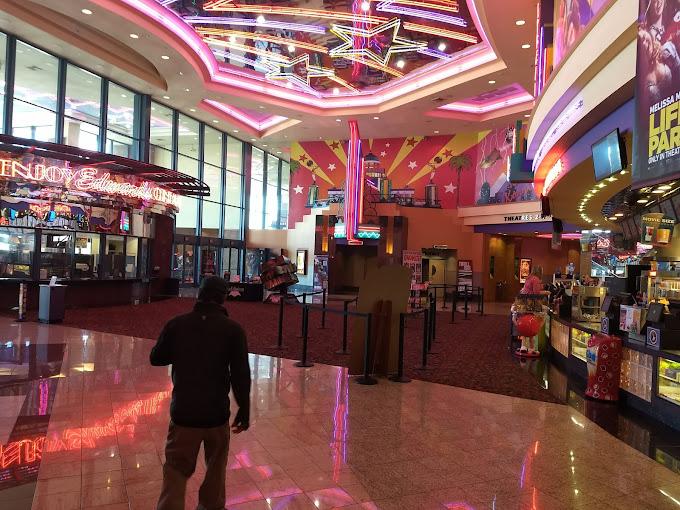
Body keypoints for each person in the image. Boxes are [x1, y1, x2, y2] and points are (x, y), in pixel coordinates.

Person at [150, 276, 251, 510]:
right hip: (216, 414)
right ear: (223, 298)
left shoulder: (177, 324)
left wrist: (181, 349)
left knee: (176, 469)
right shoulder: (233, 330)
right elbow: (240, 374)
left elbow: (156, 358)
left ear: (199, 294)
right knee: (216, 468)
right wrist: (244, 408)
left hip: (184, 412)